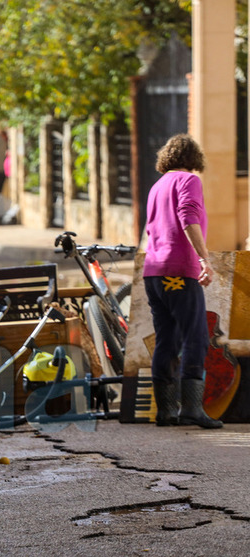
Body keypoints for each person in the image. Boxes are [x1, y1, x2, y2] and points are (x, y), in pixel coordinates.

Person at [143, 134, 222, 430]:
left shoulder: (157, 185)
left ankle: (165, 411)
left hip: (153, 273)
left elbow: (151, 230)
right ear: (194, 159)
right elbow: (188, 217)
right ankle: (191, 409)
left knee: (167, 338)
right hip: (178, 270)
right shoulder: (189, 181)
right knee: (196, 337)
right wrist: (203, 259)